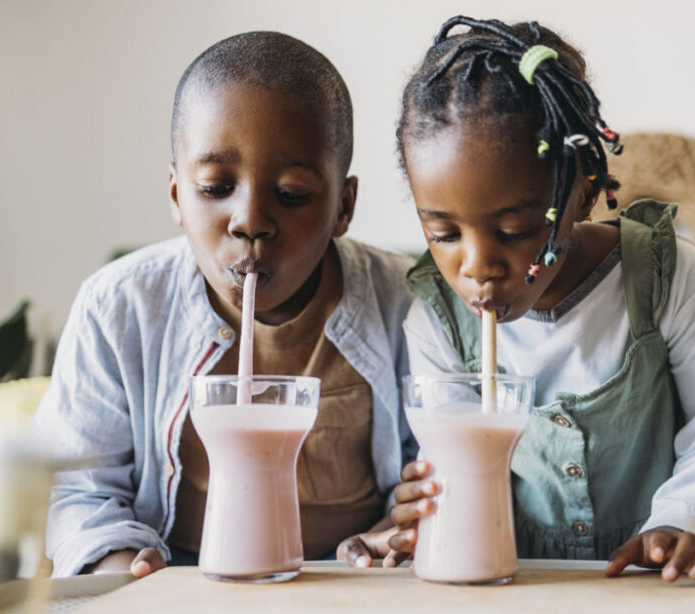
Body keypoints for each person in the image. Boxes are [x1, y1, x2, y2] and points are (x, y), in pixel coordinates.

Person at [340, 16, 695, 585]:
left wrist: (687, 522)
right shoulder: (437, 319)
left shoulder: (673, 278)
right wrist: (416, 524)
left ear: (585, 192)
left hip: (669, 589)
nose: (477, 268)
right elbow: (460, 472)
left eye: (516, 229)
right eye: (444, 234)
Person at [33, 31, 416, 577]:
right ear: (176, 198)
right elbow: (73, 487)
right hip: (181, 577)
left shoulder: (408, 307)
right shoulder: (118, 309)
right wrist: (120, 567)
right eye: (215, 187)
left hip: (352, 580)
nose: (251, 221)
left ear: (343, 206)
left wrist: (399, 532)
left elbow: (430, 473)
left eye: (292, 194)